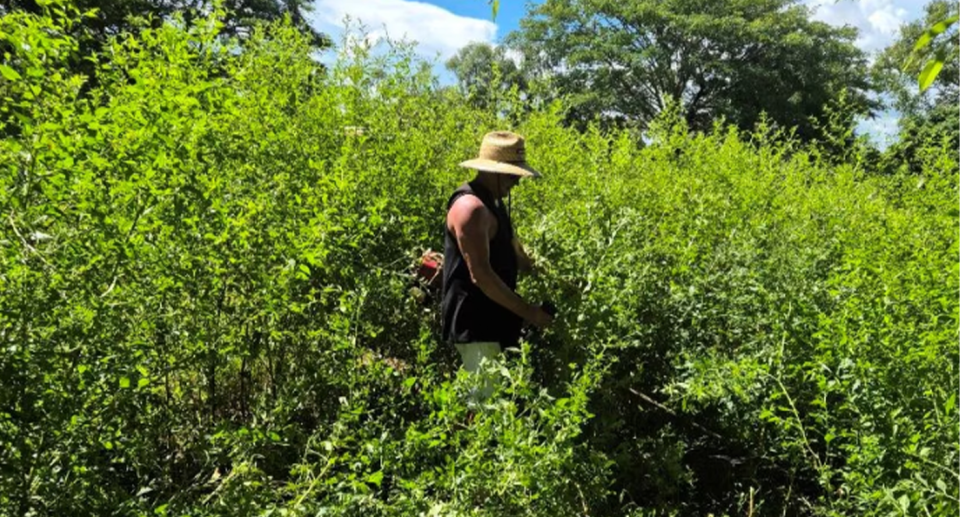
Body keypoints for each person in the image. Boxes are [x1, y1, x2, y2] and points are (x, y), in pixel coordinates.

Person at [441, 131, 554, 399]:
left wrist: (540, 270)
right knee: (484, 405)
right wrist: (530, 312)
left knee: (498, 400)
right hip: (476, 324)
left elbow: (514, 249)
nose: (517, 182)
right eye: (514, 175)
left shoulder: (495, 204)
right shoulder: (471, 208)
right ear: (495, 172)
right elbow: (481, 275)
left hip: (496, 319)